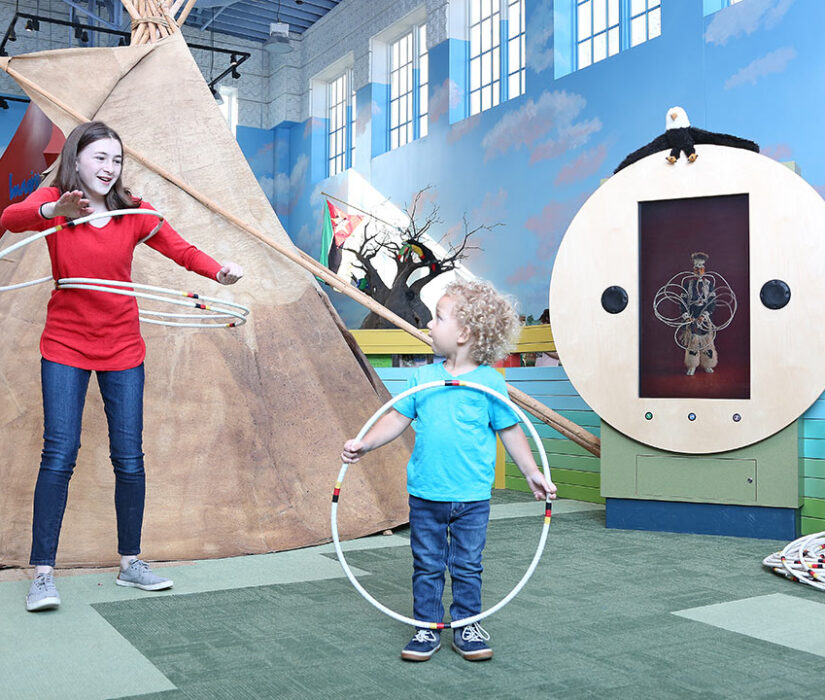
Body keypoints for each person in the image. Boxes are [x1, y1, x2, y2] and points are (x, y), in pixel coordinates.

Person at [0, 121, 244, 612]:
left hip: (123, 348)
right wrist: (54, 209)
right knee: (60, 453)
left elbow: (180, 248)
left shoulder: (134, 213)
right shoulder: (58, 203)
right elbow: (11, 216)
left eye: (115, 160)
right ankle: (43, 574)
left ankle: (131, 563)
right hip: (65, 344)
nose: (109, 169)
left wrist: (217, 270)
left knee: (129, 457)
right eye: (99, 158)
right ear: (76, 159)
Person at [341, 279, 556, 662]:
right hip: (426, 493)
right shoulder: (421, 379)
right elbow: (395, 419)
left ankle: (467, 624)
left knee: (467, 564)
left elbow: (510, 429)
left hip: (472, 496)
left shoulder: (490, 383)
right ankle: (427, 625)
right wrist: (365, 443)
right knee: (426, 563)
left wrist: (532, 472)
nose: (428, 325)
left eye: (437, 318)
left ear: (464, 333)